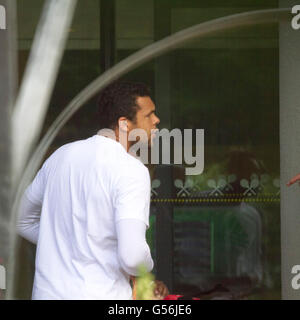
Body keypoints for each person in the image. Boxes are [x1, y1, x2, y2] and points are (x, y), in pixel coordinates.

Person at [17, 81, 169, 300]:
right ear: (124, 124)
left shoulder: (60, 157)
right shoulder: (131, 170)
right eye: (149, 115)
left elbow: (21, 220)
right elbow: (133, 257)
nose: (157, 120)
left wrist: (68, 243)